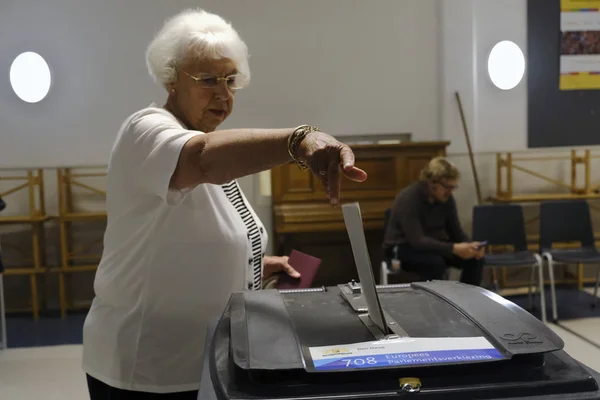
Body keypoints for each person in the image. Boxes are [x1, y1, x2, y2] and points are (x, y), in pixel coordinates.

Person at [81, 9, 368, 400]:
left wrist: (255, 264)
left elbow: (187, 238)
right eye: (208, 80)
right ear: (171, 78)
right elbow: (200, 160)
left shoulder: (207, 143)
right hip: (146, 364)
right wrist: (300, 140)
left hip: (206, 360)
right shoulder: (146, 130)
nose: (223, 93)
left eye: (231, 80)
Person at [383, 157, 483, 285]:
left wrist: (472, 246)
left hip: (433, 245)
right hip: (402, 247)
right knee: (435, 263)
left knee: (475, 259)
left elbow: (456, 232)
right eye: (447, 187)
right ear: (432, 183)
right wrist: (454, 248)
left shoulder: (447, 200)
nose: (449, 192)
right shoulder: (408, 199)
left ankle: (467, 302)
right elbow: (417, 241)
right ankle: (433, 303)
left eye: (453, 188)